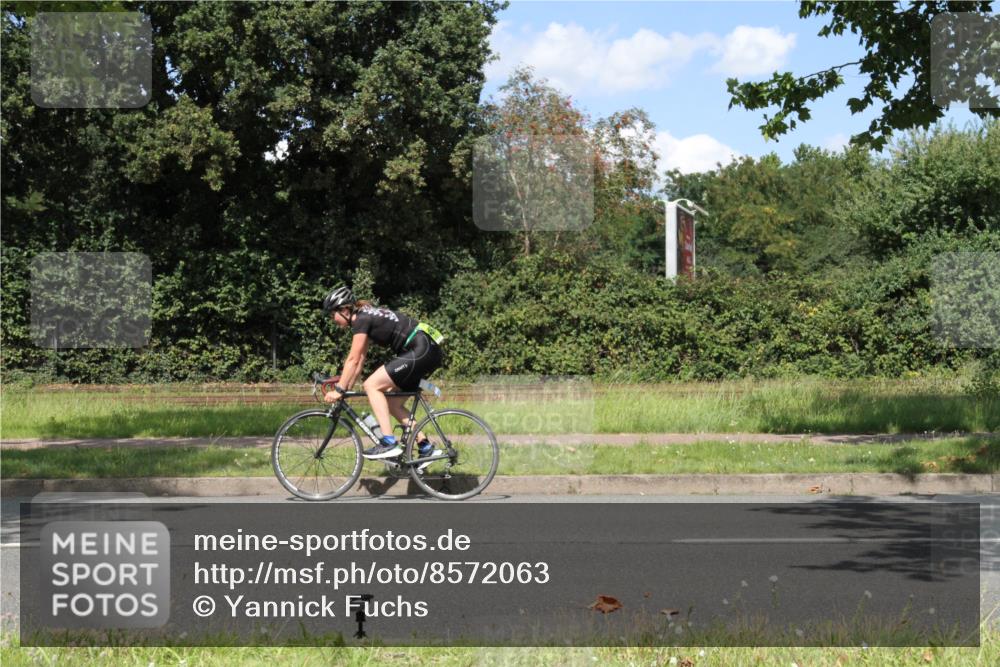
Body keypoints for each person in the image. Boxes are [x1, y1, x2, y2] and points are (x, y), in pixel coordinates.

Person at [321, 285, 445, 460]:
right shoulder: (366, 316)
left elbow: (353, 359)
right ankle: (425, 447)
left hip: (420, 349)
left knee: (371, 385)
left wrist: (340, 390)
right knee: (392, 403)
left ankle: (389, 442)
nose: (332, 319)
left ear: (344, 310)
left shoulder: (361, 320)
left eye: (332, 314)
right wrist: (345, 385)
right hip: (425, 350)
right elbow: (359, 361)